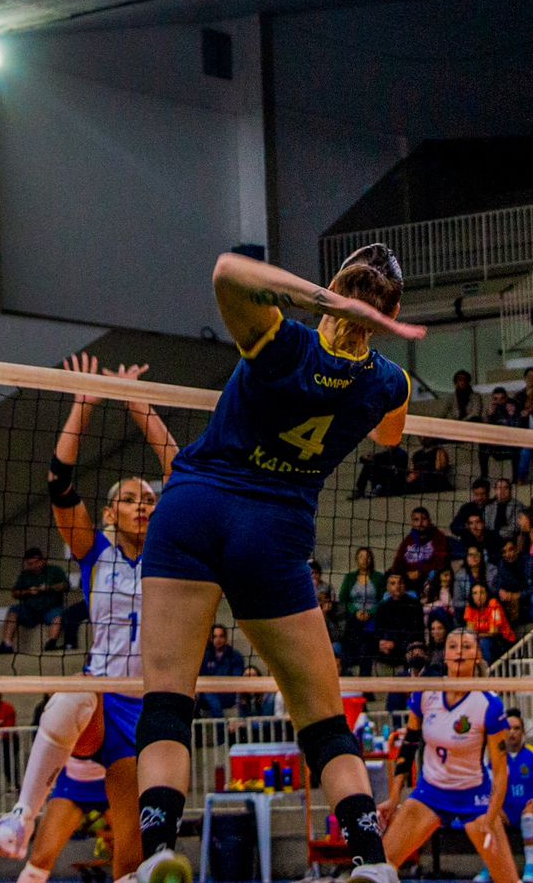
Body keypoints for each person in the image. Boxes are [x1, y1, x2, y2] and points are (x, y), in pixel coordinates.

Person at [131, 245, 425, 883]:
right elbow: (390, 437)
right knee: (322, 717)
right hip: (274, 532)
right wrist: (362, 335)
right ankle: (372, 864)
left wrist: (328, 307)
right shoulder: (389, 383)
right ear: (392, 314)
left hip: (195, 509)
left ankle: (156, 855)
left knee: (166, 701)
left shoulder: (283, 343)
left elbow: (227, 273)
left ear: (333, 289)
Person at [0, 353, 178, 881]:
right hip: (100, 697)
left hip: (146, 705)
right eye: (131, 500)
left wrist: (140, 405)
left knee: (131, 859)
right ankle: (21, 817)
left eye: (150, 499)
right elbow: (59, 482)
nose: (143, 506)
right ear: (110, 512)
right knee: (73, 693)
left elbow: (185, 473)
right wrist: (84, 404)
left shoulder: (171, 549)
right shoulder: (95, 551)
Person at [377, 629, 519, 883]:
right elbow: (408, 745)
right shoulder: (426, 692)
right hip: (431, 792)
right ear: (445, 656)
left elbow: (501, 770)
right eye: (453, 646)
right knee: (380, 868)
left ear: (478, 655)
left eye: (466, 646)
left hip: (474, 795)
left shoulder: (489, 704)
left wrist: (491, 814)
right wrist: (394, 797)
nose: (459, 652)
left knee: (508, 880)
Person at [489, 708, 533, 883]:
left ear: (523, 732)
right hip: (506, 808)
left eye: (516, 728)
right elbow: (486, 788)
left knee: (529, 816)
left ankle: (530, 868)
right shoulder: (495, 757)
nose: (512, 733)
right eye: (509, 728)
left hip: (531, 806)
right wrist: (495, 808)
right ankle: (489, 867)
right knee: (490, 818)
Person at [15, 753, 112, 883]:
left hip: (116, 770)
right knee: (36, 866)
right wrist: (23, 808)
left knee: (130, 865)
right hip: (73, 780)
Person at [0, 547, 70, 654]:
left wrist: (49, 588)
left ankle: (51, 642)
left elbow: (65, 585)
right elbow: (15, 593)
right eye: (30, 564)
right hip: (30, 611)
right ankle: (7, 644)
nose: (34, 566)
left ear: (43, 560)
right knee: (14, 610)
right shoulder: (25, 575)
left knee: (59, 615)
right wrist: (29, 592)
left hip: (51, 609)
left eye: (36, 562)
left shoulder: (55, 570)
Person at [389, 507, 449, 592]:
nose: (420, 523)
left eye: (423, 519)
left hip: (429, 580)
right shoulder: (408, 540)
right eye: (416, 520)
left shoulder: (438, 537)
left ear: (429, 520)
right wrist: (406, 574)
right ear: (412, 523)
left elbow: (440, 562)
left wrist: (420, 572)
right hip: (408, 580)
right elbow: (398, 562)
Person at [374, 573, 426, 665]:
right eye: (393, 583)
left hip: (407, 646)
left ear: (405, 586)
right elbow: (379, 630)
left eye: (400, 583)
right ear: (387, 587)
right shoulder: (382, 607)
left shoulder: (414, 605)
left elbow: (416, 632)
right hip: (387, 647)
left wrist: (395, 644)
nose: (397, 586)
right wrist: (382, 642)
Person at [197, 625, 247, 718]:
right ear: (211, 639)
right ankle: (221, 727)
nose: (218, 639)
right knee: (208, 695)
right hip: (208, 695)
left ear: (225, 638)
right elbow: (202, 676)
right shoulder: (204, 656)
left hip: (227, 694)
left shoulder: (235, 656)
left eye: (221, 636)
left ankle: (221, 726)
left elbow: (237, 677)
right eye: (215, 636)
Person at [462, 584, 516, 663]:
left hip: (503, 641)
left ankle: (488, 672)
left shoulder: (493, 604)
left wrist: (477, 634)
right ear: (471, 596)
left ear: (487, 594)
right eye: (475, 593)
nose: (479, 596)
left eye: (482, 593)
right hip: (482, 640)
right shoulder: (470, 608)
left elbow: (494, 632)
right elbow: (470, 632)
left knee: (485, 643)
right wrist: (477, 634)